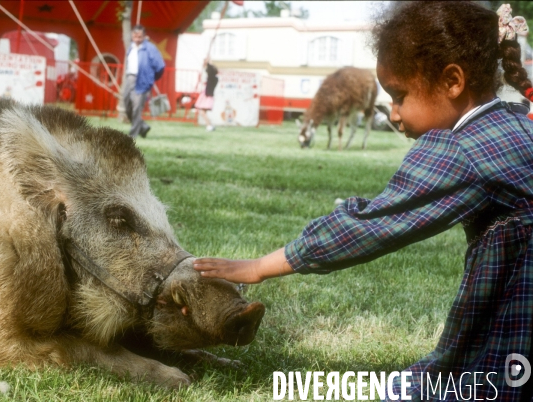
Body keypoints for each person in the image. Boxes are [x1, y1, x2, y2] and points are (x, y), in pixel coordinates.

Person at [194, 2, 533, 400]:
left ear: (452, 82)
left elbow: (370, 225)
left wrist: (259, 266)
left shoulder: (460, 147)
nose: (394, 113)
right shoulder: (517, 118)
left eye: (400, 95)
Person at [123, 25, 165, 139]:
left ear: (144, 36)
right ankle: (143, 126)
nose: (137, 38)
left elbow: (160, 66)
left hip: (142, 80)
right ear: (132, 36)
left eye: (140, 36)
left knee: (137, 108)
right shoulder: (130, 47)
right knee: (127, 105)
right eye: (135, 36)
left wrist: (151, 79)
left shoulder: (150, 48)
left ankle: (132, 135)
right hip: (129, 78)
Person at [194, 58, 219, 131]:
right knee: (203, 112)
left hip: (207, 96)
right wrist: (208, 62)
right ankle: (210, 125)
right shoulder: (214, 78)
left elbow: (210, 69)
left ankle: (209, 126)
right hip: (207, 96)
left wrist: (208, 62)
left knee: (202, 112)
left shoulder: (212, 78)